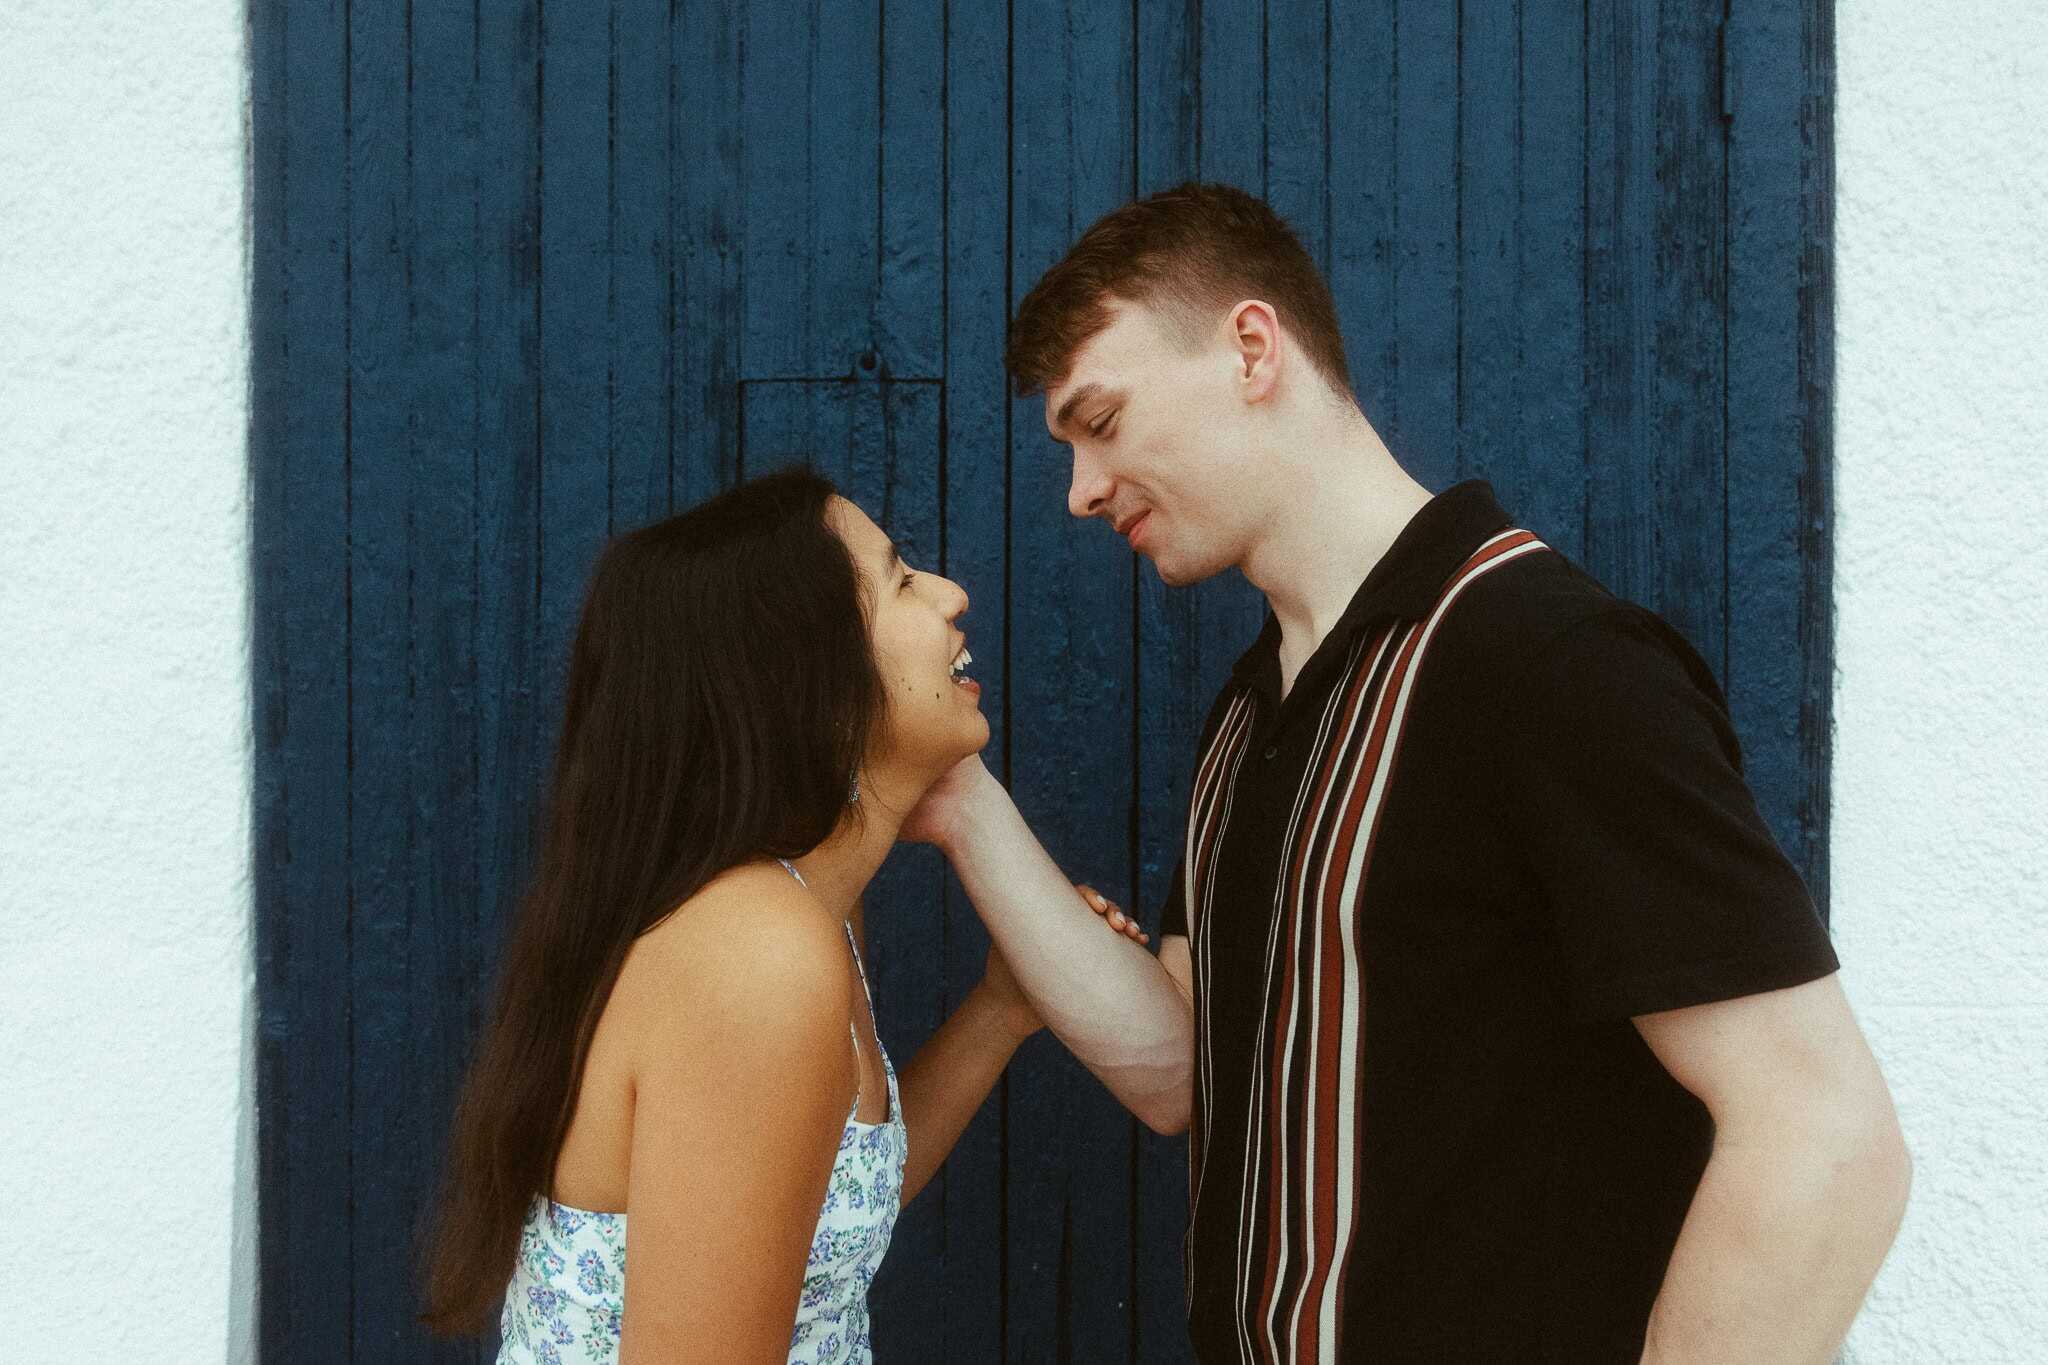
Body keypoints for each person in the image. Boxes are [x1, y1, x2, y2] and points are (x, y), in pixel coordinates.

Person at [902, 183, 1912, 1361]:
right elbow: (1183, 1065)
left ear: (1248, 348)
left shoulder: (1541, 661)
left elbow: (1824, 1135)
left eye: (1103, 421)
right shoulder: (1252, 710)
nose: (1078, 491)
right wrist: (962, 805)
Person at [417, 468, 1143, 1363]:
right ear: (814, 677)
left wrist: (998, 1011)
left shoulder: (805, 916)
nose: (953, 595)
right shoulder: (758, 955)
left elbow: (816, 1222)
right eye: (902, 581)